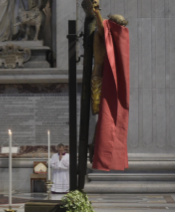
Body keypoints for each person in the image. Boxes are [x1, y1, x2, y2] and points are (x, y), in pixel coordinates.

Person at [91, 0, 130, 171]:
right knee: (100, 117)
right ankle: (95, 150)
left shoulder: (109, 35)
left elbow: (101, 27)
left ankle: (96, 149)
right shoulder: (106, 34)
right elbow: (100, 27)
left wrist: (96, 11)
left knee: (102, 118)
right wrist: (96, 11)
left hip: (98, 79)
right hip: (98, 79)